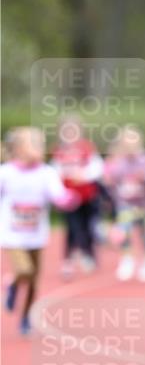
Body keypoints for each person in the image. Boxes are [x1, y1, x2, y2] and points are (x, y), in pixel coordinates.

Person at [1, 127, 77, 334]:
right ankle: (13, 284)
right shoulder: (6, 173)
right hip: (11, 235)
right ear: (16, 149)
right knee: (24, 270)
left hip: (36, 235)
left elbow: (58, 194)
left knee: (34, 280)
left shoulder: (47, 173)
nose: (38, 148)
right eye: (31, 143)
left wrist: (68, 199)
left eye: (40, 144)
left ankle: (25, 317)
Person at [51, 115, 104, 279]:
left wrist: (84, 175)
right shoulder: (58, 152)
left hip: (87, 196)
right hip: (69, 199)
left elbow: (98, 168)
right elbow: (53, 173)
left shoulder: (87, 148)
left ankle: (89, 254)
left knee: (88, 226)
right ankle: (68, 260)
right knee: (72, 228)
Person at [105, 126, 145, 282]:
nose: (130, 148)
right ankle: (127, 260)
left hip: (143, 205)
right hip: (125, 205)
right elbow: (112, 180)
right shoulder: (119, 163)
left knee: (144, 234)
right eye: (126, 144)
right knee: (124, 233)